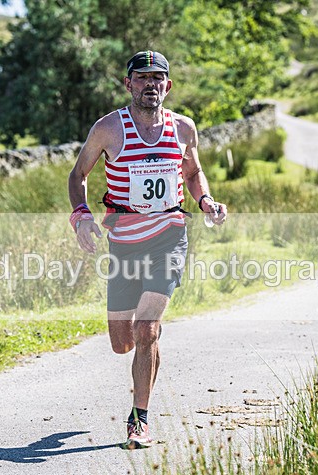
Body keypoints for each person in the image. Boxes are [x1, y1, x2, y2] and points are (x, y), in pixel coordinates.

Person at [67, 50, 227, 449]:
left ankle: (139, 419)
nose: (150, 85)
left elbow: (192, 172)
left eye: (158, 78)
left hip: (169, 237)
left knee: (146, 329)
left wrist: (206, 201)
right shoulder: (109, 129)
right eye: (142, 78)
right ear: (129, 84)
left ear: (167, 86)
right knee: (122, 342)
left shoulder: (184, 128)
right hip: (124, 244)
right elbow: (78, 174)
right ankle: (147, 351)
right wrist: (82, 216)